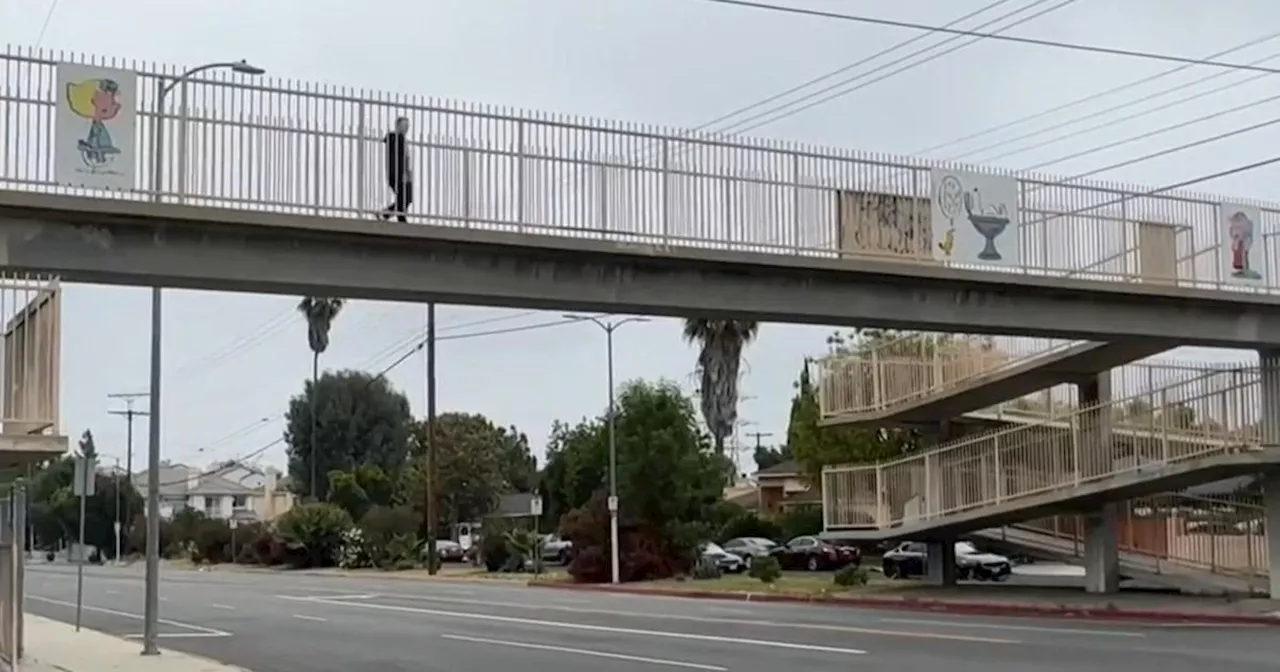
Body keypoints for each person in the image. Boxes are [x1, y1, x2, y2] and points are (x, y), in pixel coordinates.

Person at [381, 116, 413, 222]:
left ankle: (387, 215)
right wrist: (403, 172)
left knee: (405, 198)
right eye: (404, 125)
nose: (406, 128)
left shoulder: (402, 139)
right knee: (405, 198)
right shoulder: (395, 138)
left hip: (404, 173)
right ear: (398, 125)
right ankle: (392, 216)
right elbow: (398, 158)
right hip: (398, 173)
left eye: (408, 126)